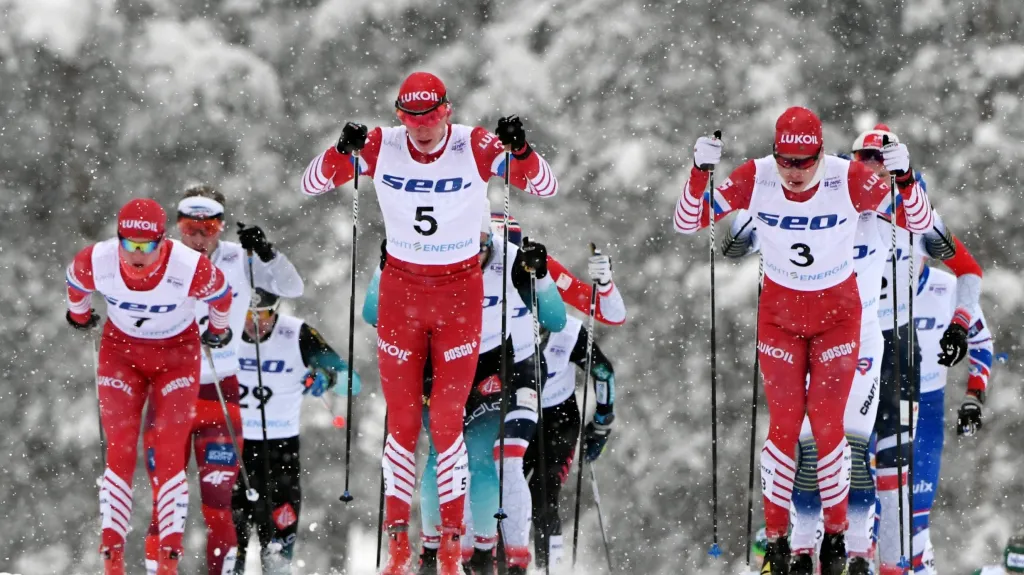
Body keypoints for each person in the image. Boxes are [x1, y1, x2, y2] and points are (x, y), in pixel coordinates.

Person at [301, 70, 559, 574]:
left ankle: (450, 552)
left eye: (432, 116)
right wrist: (340, 151)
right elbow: (311, 182)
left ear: (448, 111)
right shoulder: (382, 145)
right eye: (411, 118)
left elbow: (545, 186)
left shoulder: (474, 145)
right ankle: (399, 548)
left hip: (459, 292)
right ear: (400, 117)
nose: (422, 129)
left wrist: (521, 150)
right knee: (400, 424)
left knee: (445, 424)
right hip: (402, 290)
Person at [673, 107, 942, 575]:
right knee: (793, 436)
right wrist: (703, 177)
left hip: (853, 326)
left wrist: (905, 178)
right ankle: (793, 544)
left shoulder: (856, 184)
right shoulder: (777, 178)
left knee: (844, 440)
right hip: (787, 318)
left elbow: (926, 229)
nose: (795, 172)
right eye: (786, 160)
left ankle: (853, 545)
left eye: (805, 161)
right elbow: (710, 229)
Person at [365, 218, 567, 575]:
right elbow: (372, 314)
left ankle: (484, 554)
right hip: (438, 361)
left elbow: (557, 319)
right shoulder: (432, 252)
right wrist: (385, 269)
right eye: (466, 246)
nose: (474, 258)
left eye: (482, 248)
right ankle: (431, 552)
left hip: (489, 364)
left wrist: (542, 277)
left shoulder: (512, 259)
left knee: (479, 457)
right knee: (438, 455)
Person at [65, 198, 233, 575]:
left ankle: (168, 560)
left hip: (177, 355)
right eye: (129, 245)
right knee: (120, 453)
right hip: (120, 354)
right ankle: (112, 558)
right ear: (118, 239)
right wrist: (78, 315)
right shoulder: (97, 260)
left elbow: (221, 296)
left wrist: (218, 330)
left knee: (170, 452)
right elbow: (74, 282)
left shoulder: (190, 267)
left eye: (147, 246)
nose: (137, 255)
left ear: (163, 241)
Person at [142, 186, 304, 575]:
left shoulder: (240, 259)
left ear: (221, 226)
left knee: (220, 504)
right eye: (190, 226)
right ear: (177, 227)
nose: (199, 237)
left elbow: (293, 287)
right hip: (170, 389)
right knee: (164, 497)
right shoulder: (161, 258)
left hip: (220, 389)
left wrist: (266, 252)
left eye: (208, 226)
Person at [722, 206, 891, 575]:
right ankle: (800, 553)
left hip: (859, 341)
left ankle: (858, 555)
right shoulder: (795, 210)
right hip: (805, 341)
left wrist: (905, 183)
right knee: (809, 455)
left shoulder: (878, 216)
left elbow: (938, 241)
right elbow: (732, 245)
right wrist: (755, 206)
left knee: (856, 454)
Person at [849, 125, 985, 575]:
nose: (868, 167)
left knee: (907, 496)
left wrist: (961, 327)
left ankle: (902, 564)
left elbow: (967, 268)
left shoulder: (914, 211)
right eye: (861, 157)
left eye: (877, 159)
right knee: (849, 478)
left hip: (907, 366)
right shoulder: (843, 202)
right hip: (857, 348)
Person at [231, 288, 359, 574]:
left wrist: (326, 378)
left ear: (276, 310)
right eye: (247, 314)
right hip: (232, 451)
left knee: (277, 556)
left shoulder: (297, 333)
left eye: (262, 314)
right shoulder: (222, 327)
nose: (253, 323)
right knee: (228, 555)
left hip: (280, 453)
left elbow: (353, 381)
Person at [910, 264, 993, 574]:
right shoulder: (874, 274)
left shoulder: (948, 287)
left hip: (928, 407)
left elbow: (982, 342)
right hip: (880, 407)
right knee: (870, 512)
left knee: (916, 515)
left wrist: (973, 397)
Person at [529, 310, 617, 569]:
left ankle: (549, 567)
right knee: (507, 495)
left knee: (544, 498)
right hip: (517, 418)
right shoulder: (505, 324)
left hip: (558, 420)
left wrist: (602, 424)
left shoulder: (569, 331)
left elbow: (603, 373)